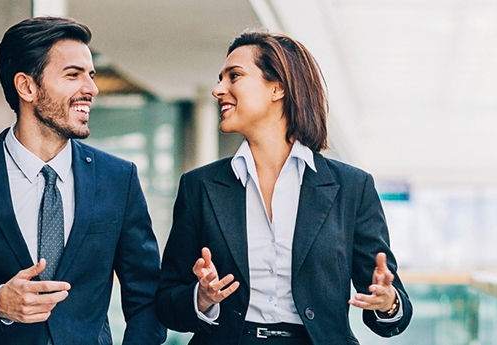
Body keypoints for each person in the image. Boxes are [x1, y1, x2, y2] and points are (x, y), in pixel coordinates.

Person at [0, 16, 166, 345]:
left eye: (91, 75)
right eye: (73, 75)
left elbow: (148, 300)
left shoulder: (117, 179)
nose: (91, 89)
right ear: (27, 86)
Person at [155, 29, 413, 345]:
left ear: (278, 87)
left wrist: (388, 302)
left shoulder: (351, 187)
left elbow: (389, 302)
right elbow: (168, 302)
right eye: (220, 78)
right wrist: (203, 297)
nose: (218, 89)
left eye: (233, 76)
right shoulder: (199, 186)